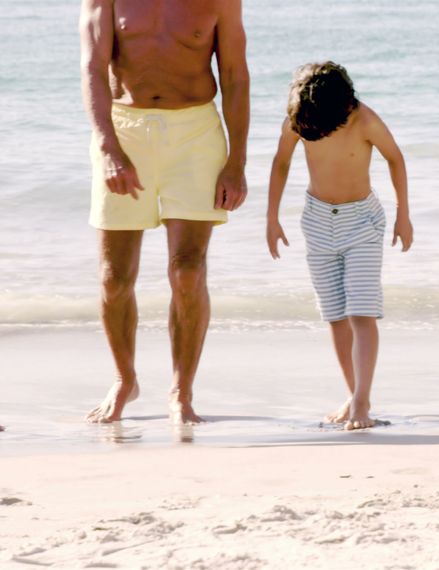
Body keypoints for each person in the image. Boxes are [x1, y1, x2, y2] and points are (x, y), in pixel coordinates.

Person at [80, 0, 250, 424]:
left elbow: (234, 75)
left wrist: (237, 162)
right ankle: (125, 380)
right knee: (114, 277)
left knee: (187, 271)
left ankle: (181, 391)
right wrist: (107, 147)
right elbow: (92, 68)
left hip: (195, 133)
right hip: (125, 128)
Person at [266, 62, 414, 430]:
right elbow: (281, 163)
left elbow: (395, 158)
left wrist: (403, 215)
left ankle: (362, 403)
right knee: (335, 316)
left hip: (361, 222)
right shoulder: (301, 120)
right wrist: (271, 217)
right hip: (317, 222)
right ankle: (354, 395)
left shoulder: (363, 119)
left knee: (361, 314)